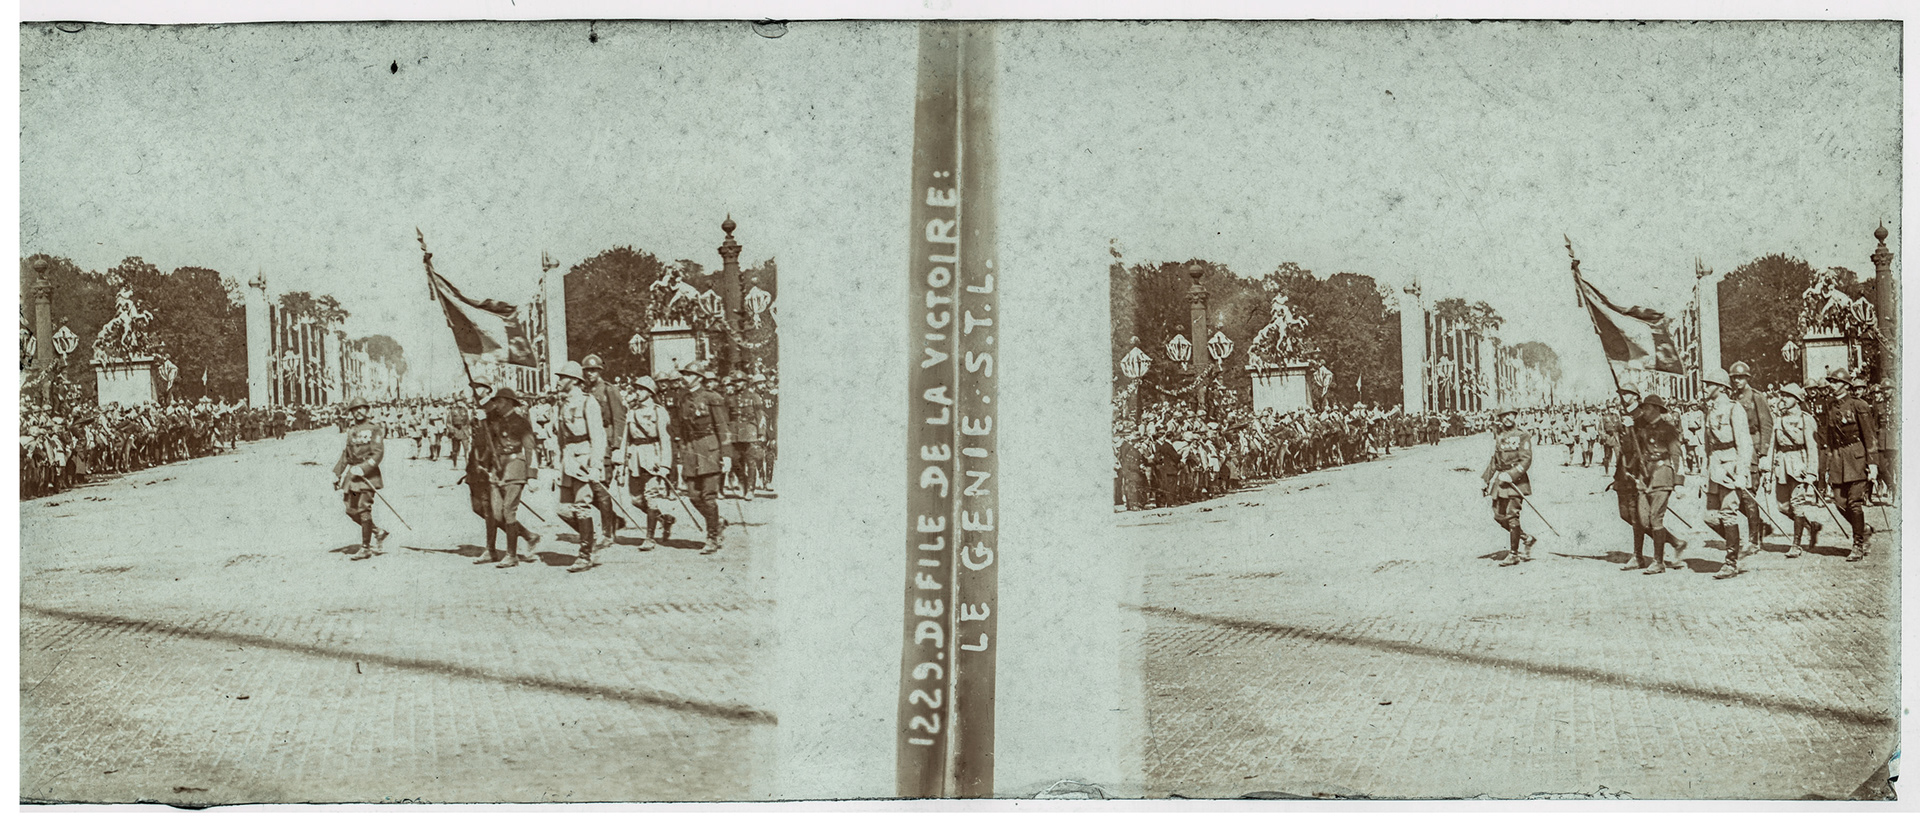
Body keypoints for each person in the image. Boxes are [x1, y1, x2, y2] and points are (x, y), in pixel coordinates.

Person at [1621, 392, 1688, 574]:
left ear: (1657, 409)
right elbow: (1630, 448)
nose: (1644, 411)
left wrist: (1679, 482)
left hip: (1662, 474)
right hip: (1645, 476)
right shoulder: (1641, 428)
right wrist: (1628, 429)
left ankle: (1659, 562)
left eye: (1648, 408)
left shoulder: (1668, 429)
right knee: (1643, 520)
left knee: (1655, 518)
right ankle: (1673, 545)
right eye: (1643, 408)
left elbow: (1676, 454)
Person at [553, 361, 608, 572]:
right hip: (568, 460)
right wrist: (558, 465)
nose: (559, 381)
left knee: (582, 506)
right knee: (563, 510)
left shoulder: (588, 402)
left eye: (563, 377)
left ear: (575, 381)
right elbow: (561, 438)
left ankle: (585, 555)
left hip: (584, 459)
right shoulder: (563, 404)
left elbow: (598, 436)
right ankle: (591, 539)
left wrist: (596, 466)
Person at [1821, 369, 1879, 562]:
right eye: (1831, 382)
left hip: (1856, 457)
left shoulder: (1858, 405)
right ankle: (1864, 529)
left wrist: (1873, 464)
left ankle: (1858, 545)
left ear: (1846, 385)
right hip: (1838, 459)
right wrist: (1829, 463)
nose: (1831, 385)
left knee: (1854, 503)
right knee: (1839, 503)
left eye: (1835, 382)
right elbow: (1830, 439)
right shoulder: (1830, 406)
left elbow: (1869, 436)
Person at [1700, 368, 1753, 580]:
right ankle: (1738, 545)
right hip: (1715, 468)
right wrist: (1704, 474)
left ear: (1721, 387)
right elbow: (1707, 447)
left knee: (1728, 513)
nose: (1705, 388)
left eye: (1709, 384)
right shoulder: (1711, 410)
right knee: (1710, 517)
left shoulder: (1734, 409)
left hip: (1731, 466)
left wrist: (1742, 474)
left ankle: (1731, 563)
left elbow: (1745, 444)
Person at [483, 387, 542, 568]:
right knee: (496, 513)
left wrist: (532, 475)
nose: (497, 405)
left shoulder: (521, 422)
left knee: (509, 510)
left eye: (499, 402)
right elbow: (490, 444)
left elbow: (530, 447)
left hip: (515, 467)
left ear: (509, 402)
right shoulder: (495, 421)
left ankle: (512, 555)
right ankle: (529, 537)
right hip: (497, 469)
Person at [678, 369, 734, 555]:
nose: (684, 377)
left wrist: (726, 455)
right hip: (691, 451)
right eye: (684, 374)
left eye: (688, 374)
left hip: (710, 449)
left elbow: (722, 426)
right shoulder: (684, 399)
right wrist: (683, 452)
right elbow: (683, 428)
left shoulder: (712, 397)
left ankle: (712, 538)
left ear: (698, 378)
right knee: (693, 496)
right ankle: (717, 522)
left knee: (709, 497)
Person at [331, 401, 390, 561]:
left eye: (361, 409)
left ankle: (365, 548)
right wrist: (337, 473)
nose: (358, 412)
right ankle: (377, 531)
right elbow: (346, 454)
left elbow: (378, 453)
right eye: (354, 409)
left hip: (367, 475)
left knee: (364, 509)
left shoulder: (374, 428)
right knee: (351, 510)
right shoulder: (352, 430)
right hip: (352, 476)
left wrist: (364, 468)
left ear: (367, 410)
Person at [623, 376, 676, 549]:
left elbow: (665, 439)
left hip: (652, 456)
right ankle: (664, 519)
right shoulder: (632, 411)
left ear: (650, 392)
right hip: (635, 458)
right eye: (636, 389)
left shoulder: (658, 411)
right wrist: (620, 460)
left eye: (641, 389)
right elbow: (626, 438)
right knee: (636, 499)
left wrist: (665, 465)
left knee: (651, 496)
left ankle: (650, 538)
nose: (637, 392)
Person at [1772, 383, 1824, 558]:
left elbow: (1812, 447)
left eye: (1787, 396)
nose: (1783, 399)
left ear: (1797, 399)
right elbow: (1773, 445)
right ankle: (1811, 526)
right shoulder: (1779, 419)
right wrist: (1768, 469)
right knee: (1782, 506)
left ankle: (1796, 545)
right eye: (1783, 395)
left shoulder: (1806, 419)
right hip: (1782, 464)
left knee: (1797, 503)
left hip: (1798, 464)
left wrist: (1811, 473)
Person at [1726, 361, 1775, 545]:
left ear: (1747, 378)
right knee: (1736, 494)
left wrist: (1763, 453)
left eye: (1741, 377)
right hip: (1736, 449)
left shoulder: (1756, 397)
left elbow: (1766, 425)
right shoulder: (1733, 397)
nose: (1737, 381)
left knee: (1748, 494)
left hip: (1753, 448)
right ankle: (1760, 526)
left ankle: (1754, 541)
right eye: (1734, 378)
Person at [1481, 408, 1537, 567]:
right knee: (1499, 516)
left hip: (1515, 481)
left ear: (1515, 416)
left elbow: (1526, 460)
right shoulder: (1500, 435)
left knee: (1512, 516)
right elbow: (1495, 460)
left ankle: (1513, 554)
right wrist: (1486, 479)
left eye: (1509, 415)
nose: (1506, 418)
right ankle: (1526, 538)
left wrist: (1512, 474)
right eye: (1503, 416)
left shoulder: (1522, 435)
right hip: (1500, 481)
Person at [580, 354, 627, 539]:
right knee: (588, 488)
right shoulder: (584, 390)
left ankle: (608, 533)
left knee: (601, 486)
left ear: (600, 371)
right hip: (588, 442)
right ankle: (613, 519)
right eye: (587, 370)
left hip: (606, 440)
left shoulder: (609, 390)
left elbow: (619, 418)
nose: (590, 374)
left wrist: (616, 447)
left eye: (594, 370)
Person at [463, 383, 503, 564]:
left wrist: (486, 418)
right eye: (473, 387)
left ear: (487, 390)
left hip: (487, 464)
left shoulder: (493, 409)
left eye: (478, 387)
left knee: (488, 508)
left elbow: (497, 435)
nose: (474, 390)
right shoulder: (477, 408)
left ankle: (491, 550)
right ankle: (525, 533)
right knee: (477, 507)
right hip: (475, 464)